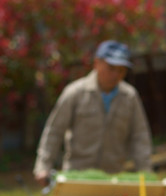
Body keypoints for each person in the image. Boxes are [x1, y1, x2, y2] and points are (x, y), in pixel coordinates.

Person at [33, 40, 153, 185]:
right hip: (76, 176)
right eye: (111, 68)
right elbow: (54, 131)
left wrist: (146, 171)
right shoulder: (75, 93)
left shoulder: (130, 96)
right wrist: (43, 166)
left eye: (121, 70)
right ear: (97, 63)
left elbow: (139, 136)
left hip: (113, 178)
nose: (116, 74)